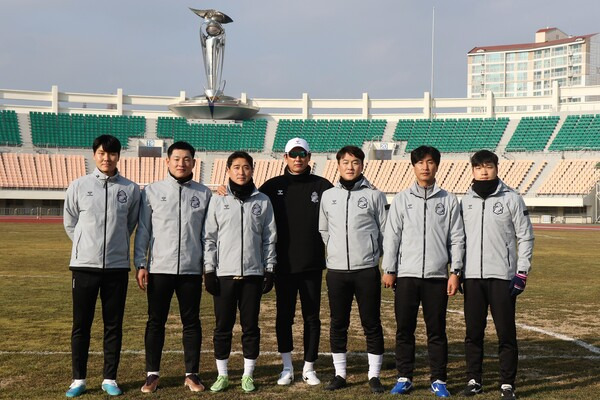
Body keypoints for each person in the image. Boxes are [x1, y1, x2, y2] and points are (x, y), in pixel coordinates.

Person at [381, 145, 465, 397]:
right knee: (404, 329)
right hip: (406, 275)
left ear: (437, 166)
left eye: (430, 162)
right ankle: (404, 377)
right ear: (413, 166)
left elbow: (457, 238)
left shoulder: (449, 200)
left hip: (437, 276)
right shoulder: (402, 199)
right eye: (420, 163)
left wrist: (455, 271)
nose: (425, 167)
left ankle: (439, 380)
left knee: (436, 330)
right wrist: (389, 268)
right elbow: (392, 236)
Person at [63, 135, 140, 397]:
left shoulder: (130, 189)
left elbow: (130, 224)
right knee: (81, 325)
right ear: (94, 155)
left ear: (119, 156)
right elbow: (70, 223)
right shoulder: (78, 185)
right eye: (101, 153)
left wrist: (112, 246)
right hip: (84, 267)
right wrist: (87, 246)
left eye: (112, 153)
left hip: (117, 268)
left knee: (113, 325)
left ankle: (110, 378)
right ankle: (78, 379)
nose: (106, 158)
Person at [134, 141, 212, 393]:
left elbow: (207, 234)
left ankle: (192, 374)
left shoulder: (204, 193)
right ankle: (152, 374)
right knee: (155, 321)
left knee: (192, 322)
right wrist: (141, 263)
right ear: (167, 161)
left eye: (186, 159)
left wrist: (206, 265)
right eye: (176, 159)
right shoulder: (152, 191)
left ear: (193, 162)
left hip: (191, 269)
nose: (181, 163)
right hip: (160, 268)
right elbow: (143, 230)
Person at [460, 150, 534, 400]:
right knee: (473, 332)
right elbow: (458, 240)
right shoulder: (465, 200)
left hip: (502, 277)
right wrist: (458, 271)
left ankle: (506, 383)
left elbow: (525, 236)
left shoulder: (512, 198)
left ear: (496, 168)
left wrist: (521, 272)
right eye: (479, 167)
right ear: (472, 170)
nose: (483, 171)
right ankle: (474, 380)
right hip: (471, 277)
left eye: (488, 166)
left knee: (506, 332)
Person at [259, 137, 332, 386]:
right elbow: (250, 205)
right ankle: (287, 366)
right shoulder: (271, 186)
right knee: (284, 316)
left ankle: (310, 367)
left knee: (312, 317)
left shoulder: (323, 186)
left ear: (309, 157)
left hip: (312, 264)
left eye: (302, 154)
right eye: (293, 154)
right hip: (283, 265)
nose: (298, 159)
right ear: (285, 157)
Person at [203, 151, 277, 393]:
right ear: (228, 170)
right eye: (236, 167)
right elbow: (210, 238)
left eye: (246, 167)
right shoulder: (218, 200)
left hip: (253, 275)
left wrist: (269, 268)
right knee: (222, 327)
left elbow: (269, 238)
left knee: (250, 327)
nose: (241, 172)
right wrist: (209, 270)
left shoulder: (263, 201)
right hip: (224, 275)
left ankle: (248, 375)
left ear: (252, 170)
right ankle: (222, 375)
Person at [318, 145, 387, 393]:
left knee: (371, 323)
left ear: (362, 165)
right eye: (345, 162)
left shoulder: (375, 196)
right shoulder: (328, 196)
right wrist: (336, 252)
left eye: (355, 162)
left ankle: (374, 375)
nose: (350, 166)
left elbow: (384, 231)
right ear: (338, 165)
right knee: (338, 323)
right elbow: (324, 230)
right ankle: (340, 374)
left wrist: (371, 254)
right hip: (336, 271)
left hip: (366, 269)